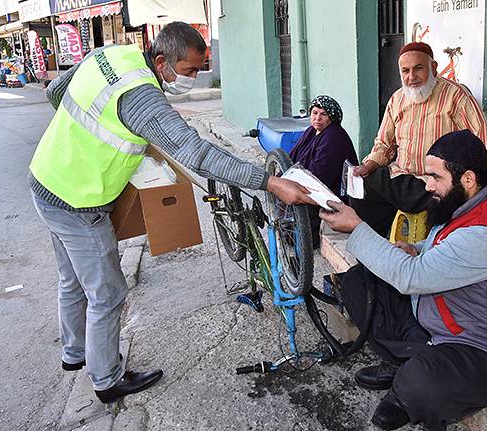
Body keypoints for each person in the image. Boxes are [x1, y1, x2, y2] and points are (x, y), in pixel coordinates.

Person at [28, 22, 313, 404]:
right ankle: (106, 380)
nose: (193, 78)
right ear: (161, 61)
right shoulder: (141, 98)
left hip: (45, 179)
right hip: (80, 202)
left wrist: (78, 140)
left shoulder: (110, 55)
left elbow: (56, 91)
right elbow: (197, 154)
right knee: (108, 293)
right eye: (191, 70)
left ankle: (75, 354)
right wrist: (271, 183)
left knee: (71, 279)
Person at [320, 130, 487, 431]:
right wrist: (416, 248)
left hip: (481, 347)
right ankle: (406, 366)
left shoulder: (486, 233)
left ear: (468, 179)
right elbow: (443, 245)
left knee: (421, 382)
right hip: (441, 319)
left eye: (435, 177)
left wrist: (356, 227)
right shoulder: (468, 200)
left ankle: (408, 382)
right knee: (360, 282)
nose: (427, 185)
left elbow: (411, 277)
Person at [351, 42, 487, 237]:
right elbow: (384, 143)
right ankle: (377, 248)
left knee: (443, 206)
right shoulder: (397, 99)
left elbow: (484, 142)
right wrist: (369, 165)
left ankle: (424, 250)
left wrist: (467, 182)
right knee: (362, 188)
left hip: (436, 183)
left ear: (433, 67)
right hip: (402, 176)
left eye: (418, 68)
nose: (411, 77)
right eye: (405, 71)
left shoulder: (455, 96)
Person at [289, 95, 359, 248]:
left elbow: (321, 174)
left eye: (323, 114)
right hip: (310, 180)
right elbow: (293, 157)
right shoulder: (311, 131)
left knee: (298, 203)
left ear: (331, 118)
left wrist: (294, 183)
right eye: (314, 113)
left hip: (331, 190)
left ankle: (308, 240)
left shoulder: (334, 136)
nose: (317, 118)